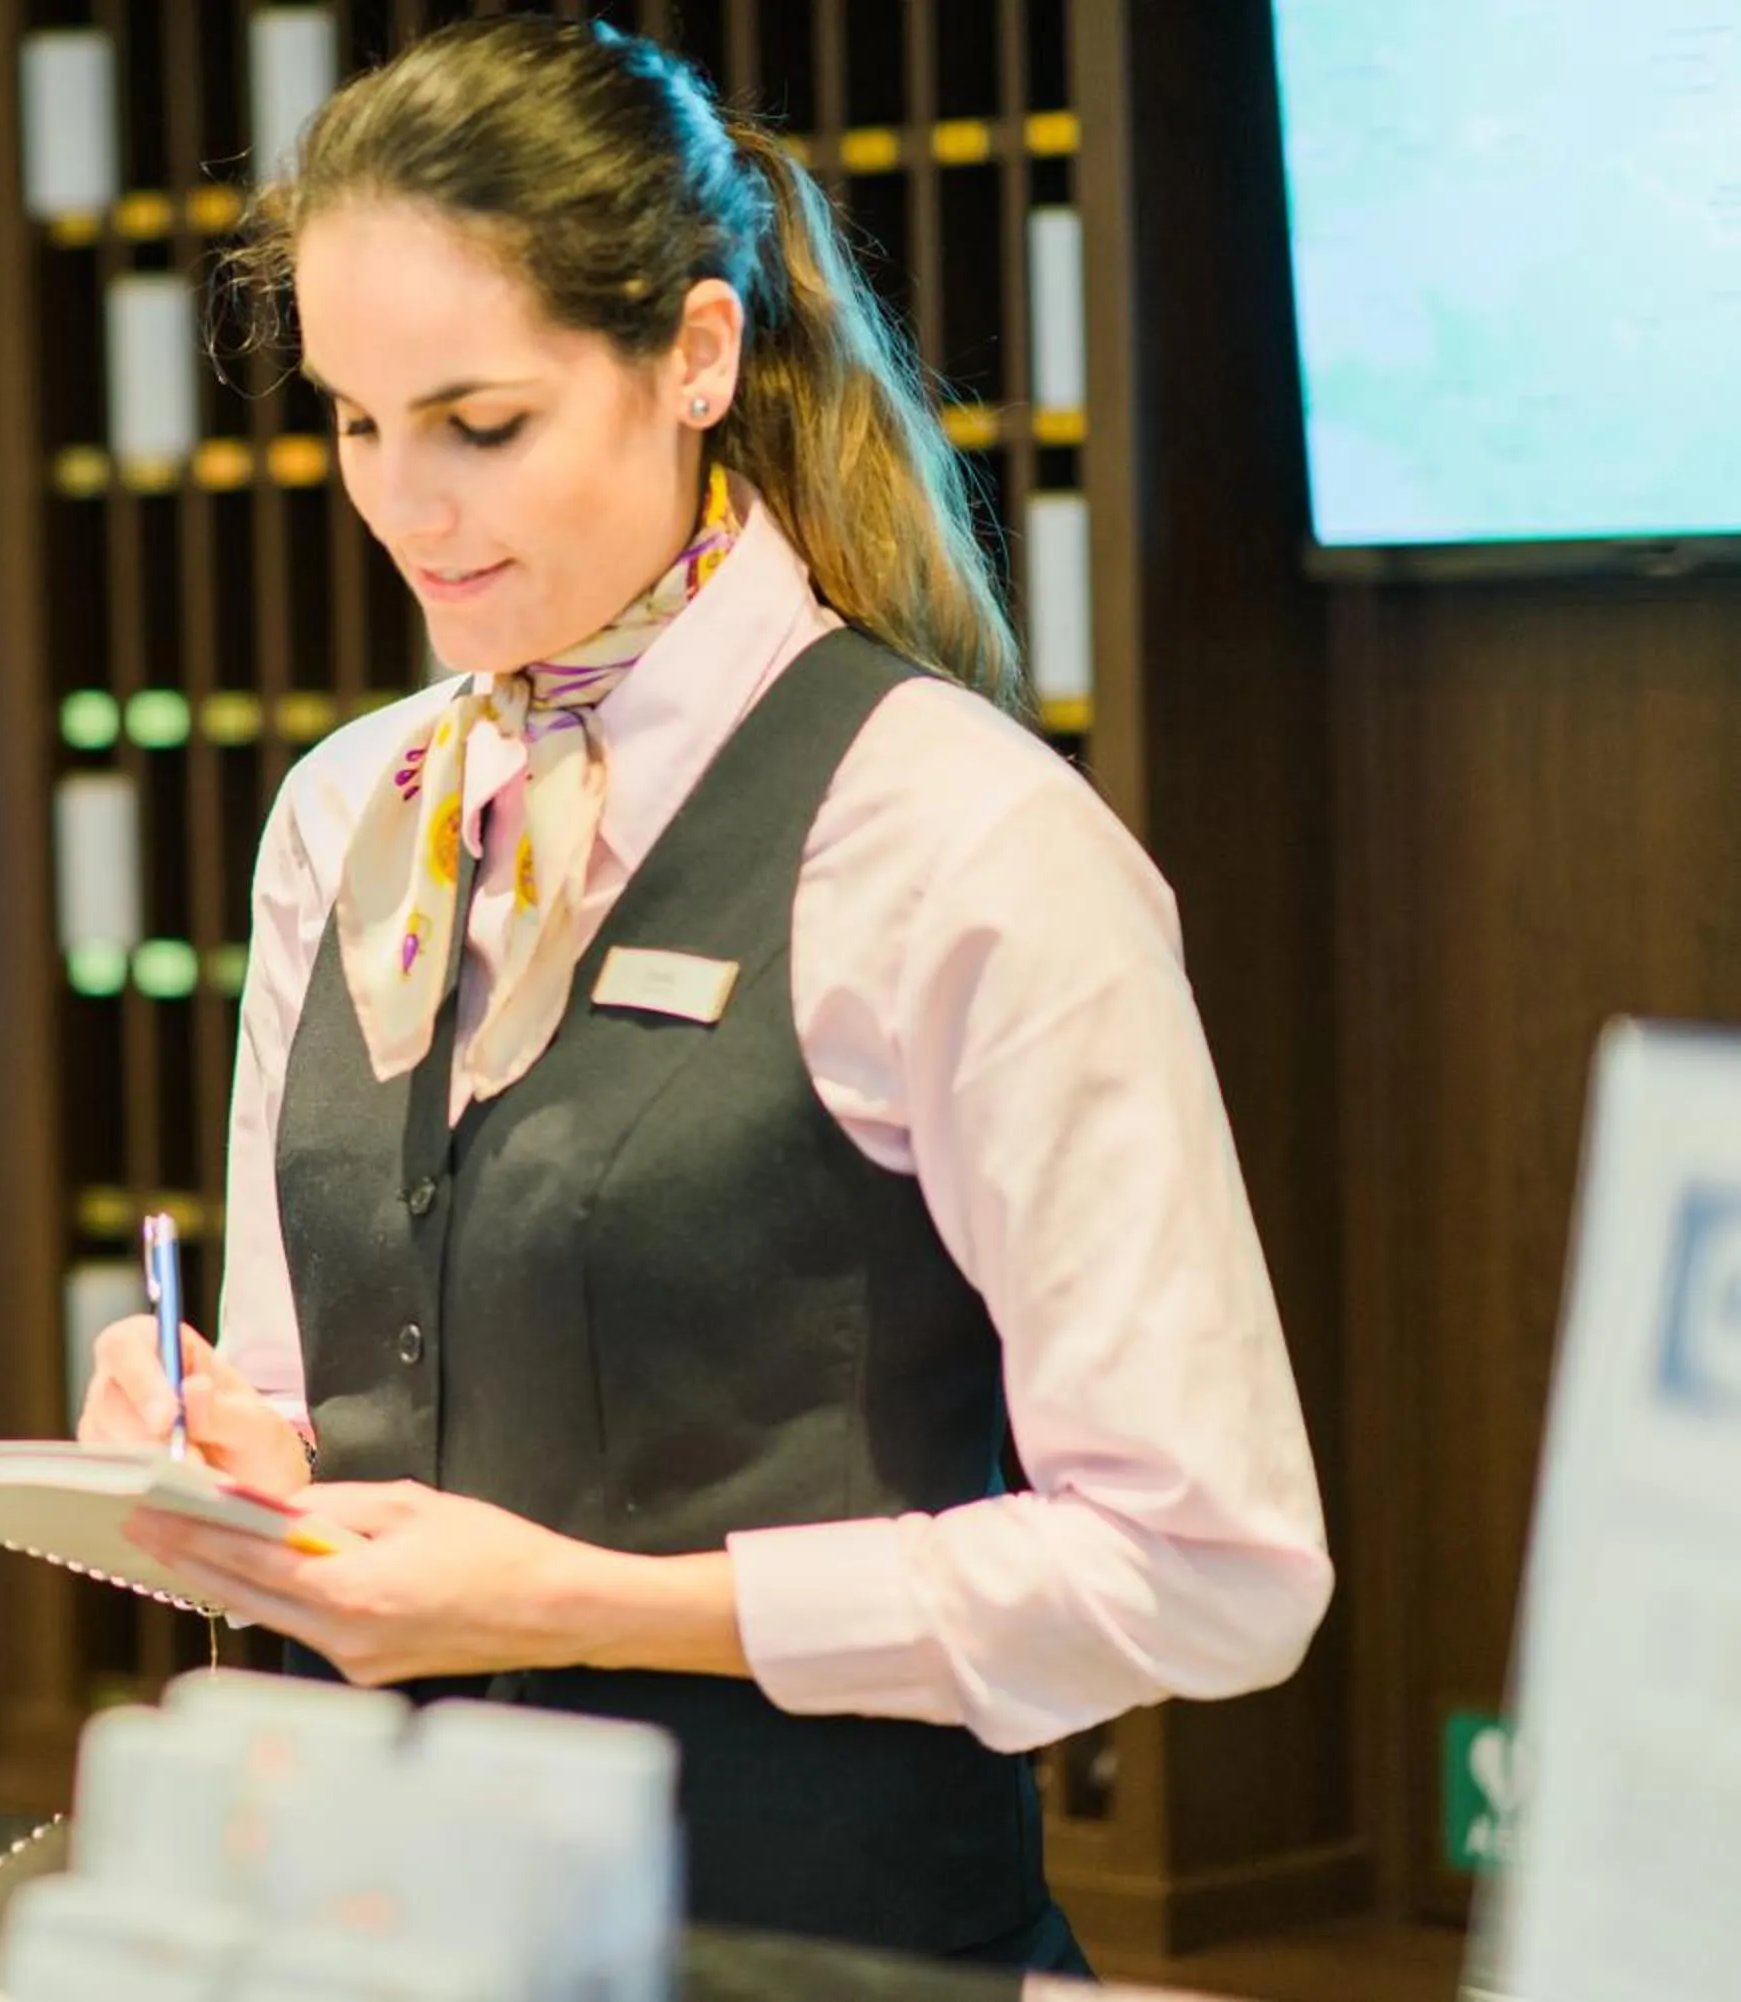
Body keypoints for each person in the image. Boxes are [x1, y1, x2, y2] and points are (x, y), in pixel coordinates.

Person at [76, 15, 1330, 1976]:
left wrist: (592, 1600)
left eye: (481, 423)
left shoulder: (955, 835)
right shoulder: (347, 816)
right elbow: (326, 1405)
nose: (409, 505)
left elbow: (1211, 1565)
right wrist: (219, 1460)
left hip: (833, 1954)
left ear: (698, 355)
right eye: (354, 421)